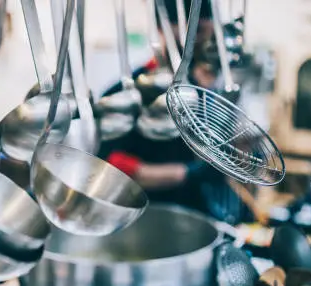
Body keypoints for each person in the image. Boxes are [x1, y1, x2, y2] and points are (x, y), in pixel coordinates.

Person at [101, 0, 245, 217]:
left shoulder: (200, 90)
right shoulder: (128, 92)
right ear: (163, 31)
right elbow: (111, 169)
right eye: (195, 34)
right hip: (145, 217)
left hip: (198, 216)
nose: (201, 44)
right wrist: (185, 173)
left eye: (208, 36)